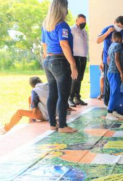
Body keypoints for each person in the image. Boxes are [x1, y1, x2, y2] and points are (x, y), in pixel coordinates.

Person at [40, 0, 78, 133]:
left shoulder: (46, 24)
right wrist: (73, 64)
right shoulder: (62, 25)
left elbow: (44, 44)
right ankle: (62, 126)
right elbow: (64, 45)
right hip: (60, 61)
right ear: (63, 8)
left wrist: (48, 58)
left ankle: (52, 124)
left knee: (53, 93)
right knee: (63, 94)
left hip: (48, 60)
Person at [97, 16, 123, 106]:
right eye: (118, 25)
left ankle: (114, 102)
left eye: (122, 26)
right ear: (114, 22)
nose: (120, 28)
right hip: (108, 61)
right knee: (108, 82)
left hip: (119, 60)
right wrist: (108, 32)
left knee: (116, 83)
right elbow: (98, 41)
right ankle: (107, 103)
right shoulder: (107, 29)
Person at [105, 31, 123, 120]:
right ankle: (109, 113)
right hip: (114, 72)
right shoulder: (118, 46)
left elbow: (108, 59)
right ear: (118, 38)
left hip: (111, 72)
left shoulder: (111, 45)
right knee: (115, 93)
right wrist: (122, 73)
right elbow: (116, 60)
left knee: (113, 92)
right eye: (121, 38)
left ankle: (113, 111)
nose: (122, 40)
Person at [68, 14, 89, 107]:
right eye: (81, 21)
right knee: (75, 78)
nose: (83, 23)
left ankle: (77, 97)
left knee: (79, 78)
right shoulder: (72, 29)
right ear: (77, 20)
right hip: (76, 56)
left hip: (83, 57)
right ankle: (70, 98)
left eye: (84, 21)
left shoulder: (84, 31)